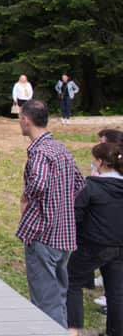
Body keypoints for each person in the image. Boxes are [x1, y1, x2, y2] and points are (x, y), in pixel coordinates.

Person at [16, 99, 85, 329]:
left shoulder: (40, 152)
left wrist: (25, 199)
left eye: (20, 119)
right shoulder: (61, 149)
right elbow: (79, 184)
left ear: (26, 120)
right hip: (64, 235)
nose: (20, 122)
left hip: (43, 235)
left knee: (45, 302)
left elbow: (38, 183)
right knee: (59, 296)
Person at [67, 141, 123, 336]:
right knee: (116, 291)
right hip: (120, 245)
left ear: (99, 162)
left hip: (93, 244)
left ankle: (73, 330)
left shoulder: (91, 186)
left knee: (72, 281)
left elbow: (75, 215)